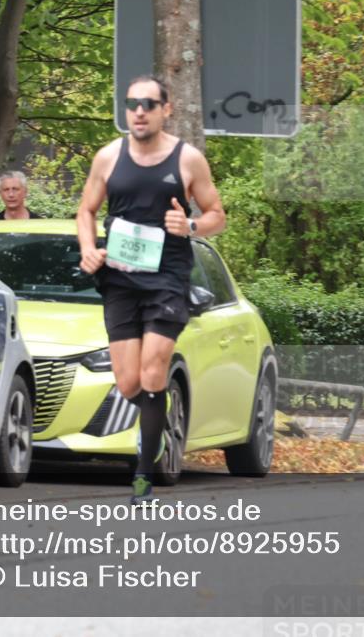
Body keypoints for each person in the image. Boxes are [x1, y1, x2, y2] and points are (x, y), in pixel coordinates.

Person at [77, 75, 226, 504]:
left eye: (148, 103)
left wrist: (192, 225)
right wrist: (89, 249)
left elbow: (217, 214)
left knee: (153, 371)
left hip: (167, 278)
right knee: (127, 384)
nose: (139, 111)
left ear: (166, 109)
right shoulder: (108, 157)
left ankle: (144, 474)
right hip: (121, 279)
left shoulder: (187, 159)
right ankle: (155, 419)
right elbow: (86, 210)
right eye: (131, 104)